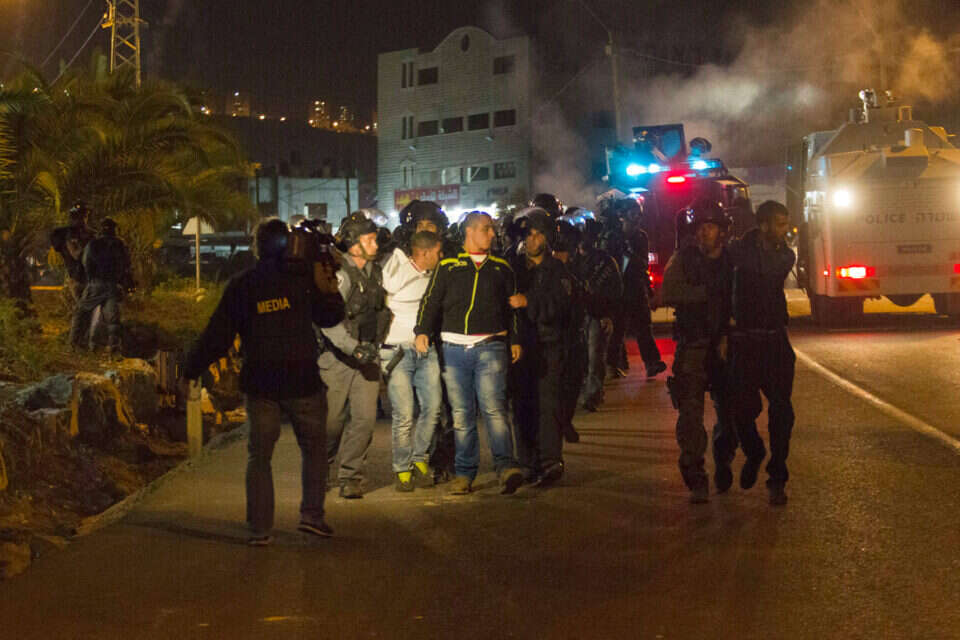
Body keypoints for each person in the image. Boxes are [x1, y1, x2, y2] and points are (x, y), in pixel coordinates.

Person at [182, 217, 345, 546]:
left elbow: (217, 336)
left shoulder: (244, 285)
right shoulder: (303, 278)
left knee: (260, 456)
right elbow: (330, 317)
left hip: (261, 382)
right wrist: (329, 285)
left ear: (257, 247)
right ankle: (312, 516)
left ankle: (260, 529)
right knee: (314, 450)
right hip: (302, 379)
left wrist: (190, 370)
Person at [414, 211, 525, 495]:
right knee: (462, 415)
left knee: (495, 410)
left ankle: (505, 467)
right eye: (486, 229)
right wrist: (422, 331)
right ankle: (464, 474)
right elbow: (431, 301)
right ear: (470, 232)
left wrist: (514, 339)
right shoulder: (449, 266)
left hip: (491, 346)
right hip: (453, 351)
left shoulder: (501, 268)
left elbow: (512, 309)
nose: (492, 234)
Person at [661, 199, 736, 504]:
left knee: (731, 416)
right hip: (693, 345)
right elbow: (669, 291)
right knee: (690, 416)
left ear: (722, 230)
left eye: (711, 226)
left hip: (725, 346)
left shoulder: (732, 262)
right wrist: (706, 295)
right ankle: (696, 477)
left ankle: (723, 459)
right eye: (701, 227)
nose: (705, 232)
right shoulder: (684, 260)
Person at [728, 200, 796, 506]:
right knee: (742, 411)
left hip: (774, 341)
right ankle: (754, 452)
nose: (785, 230)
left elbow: (765, 270)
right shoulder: (739, 251)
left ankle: (777, 477)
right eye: (779, 224)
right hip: (745, 342)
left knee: (782, 412)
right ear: (764, 225)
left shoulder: (784, 255)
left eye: (785, 224)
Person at [319, 211, 391, 499]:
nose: (375, 244)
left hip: (367, 356)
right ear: (353, 244)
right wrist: (353, 347)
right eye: (369, 239)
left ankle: (350, 476)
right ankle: (321, 466)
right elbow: (328, 322)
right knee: (332, 423)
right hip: (338, 360)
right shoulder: (340, 276)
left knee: (364, 420)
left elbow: (380, 312)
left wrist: (374, 347)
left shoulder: (376, 272)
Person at [508, 209, 575, 485]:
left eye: (538, 234)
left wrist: (529, 302)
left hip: (548, 345)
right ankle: (527, 462)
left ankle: (550, 461)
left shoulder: (557, 270)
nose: (533, 239)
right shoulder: (513, 268)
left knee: (549, 406)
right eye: (529, 234)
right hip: (520, 348)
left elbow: (561, 305)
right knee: (522, 406)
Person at [380, 230, 444, 491]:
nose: (441, 256)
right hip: (397, 352)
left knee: (433, 408)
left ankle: (419, 459)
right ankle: (402, 468)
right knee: (404, 414)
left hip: (425, 349)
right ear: (425, 253)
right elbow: (388, 286)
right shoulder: (396, 269)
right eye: (438, 252)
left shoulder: (432, 275)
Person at [69, 218, 134, 356]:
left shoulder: (93, 244)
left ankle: (75, 344)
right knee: (113, 318)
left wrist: (90, 279)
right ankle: (113, 347)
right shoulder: (119, 244)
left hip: (96, 283)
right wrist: (121, 281)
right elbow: (126, 265)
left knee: (81, 312)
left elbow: (86, 262)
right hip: (111, 285)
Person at [576, 219, 622, 411]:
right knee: (580, 357)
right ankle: (584, 392)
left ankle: (593, 395)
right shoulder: (571, 260)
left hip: (598, 315)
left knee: (595, 356)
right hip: (577, 316)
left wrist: (608, 314)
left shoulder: (605, 261)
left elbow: (616, 290)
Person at [553, 220, 587, 443]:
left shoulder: (576, 268)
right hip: (555, 336)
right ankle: (559, 424)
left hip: (574, 334)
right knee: (557, 385)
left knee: (573, 382)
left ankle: (565, 420)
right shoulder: (546, 270)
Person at [622, 229, 667, 378]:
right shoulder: (617, 239)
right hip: (623, 291)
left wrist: (649, 291)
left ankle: (651, 362)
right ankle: (615, 362)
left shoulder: (638, 238)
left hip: (635, 291)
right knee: (619, 331)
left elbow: (642, 270)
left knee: (643, 328)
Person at [50, 201, 96, 302]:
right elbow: (76, 255)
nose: (82, 219)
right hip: (76, 278)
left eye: (84, 215)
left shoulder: (91, 234)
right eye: (79, 216)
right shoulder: (70, 234)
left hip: (92, 279)